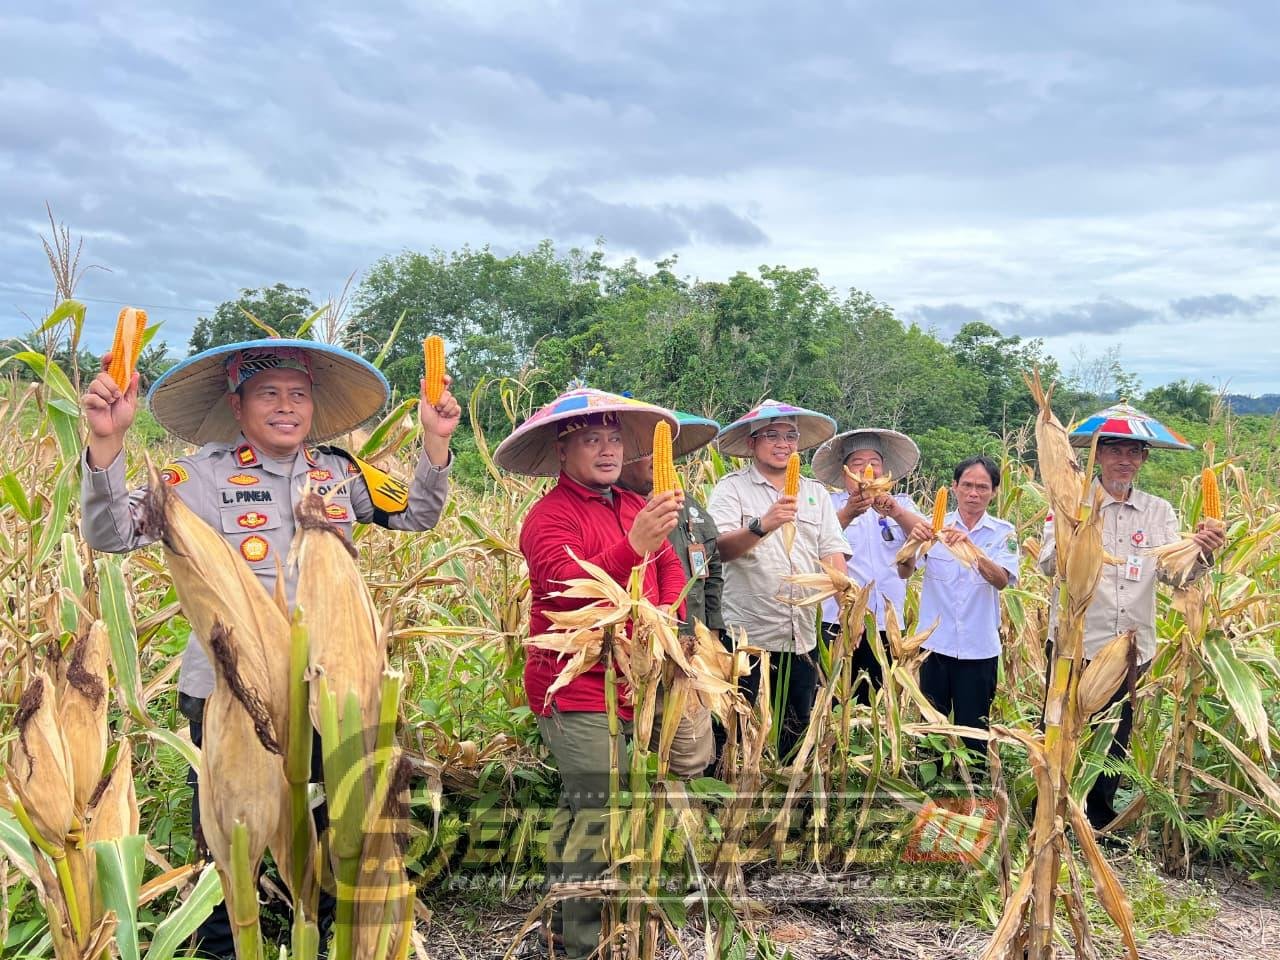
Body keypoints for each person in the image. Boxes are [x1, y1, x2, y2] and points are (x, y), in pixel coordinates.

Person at [81, 338, 461, 958]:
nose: (286, 406)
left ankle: (330, 933)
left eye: (298, 394)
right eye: (268, 394)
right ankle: (225, 942)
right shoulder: (199, 476)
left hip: (327, 690)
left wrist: (436, 442)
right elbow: (111, 532)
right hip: (234, 691)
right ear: (237, 405)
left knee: (336, 820)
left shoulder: (338, 472)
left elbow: (416, 513)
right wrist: (107, 442)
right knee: (233, 834)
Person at [494, 388, 685, 960]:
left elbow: (671, 568)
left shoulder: (630, 503)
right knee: (601, 813)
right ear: (563, 450)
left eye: (614, 439)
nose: (607, 450)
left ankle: (563, 923)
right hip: (572, 685)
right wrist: (633, 545)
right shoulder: (548, 517)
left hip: (632, 681)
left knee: (583, 808)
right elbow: (564, 592)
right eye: (591, 439)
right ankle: (581, 944)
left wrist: (661, 619)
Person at [1040, 404, 1224, 830]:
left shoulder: (1159, 512)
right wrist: (1075, 531)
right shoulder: (1070, 502)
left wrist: (1201, 551)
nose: (1125, 459)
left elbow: (1174, 576)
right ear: (1099, 455)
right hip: (1074, 643)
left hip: (1130, 647)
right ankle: (1051, 812)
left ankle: (1098, 820)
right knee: (1061, 728)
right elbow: (1048, 564)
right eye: (1115, 449)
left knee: (1115, 737)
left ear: (1144, 458)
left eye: (1134, 451)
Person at [707, 400, 848, 761]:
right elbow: (718, 549)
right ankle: (726, 788)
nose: (783, 444)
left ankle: (791, 791)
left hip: (801, 635)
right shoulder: (732, 489)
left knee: (795, 731)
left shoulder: (815, 493)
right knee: (732, 729)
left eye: (790, 436)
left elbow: (832, 553)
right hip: (747, 637)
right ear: (752, 442)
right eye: (771, 435)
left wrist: (849, 606)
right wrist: (762, 525)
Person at [617, 411, 723, 779]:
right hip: (636, 654)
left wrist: (713, 631)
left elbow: (712, 569)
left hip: (688, 648)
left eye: (660, 451)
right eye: (645, 451)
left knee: (691, 753)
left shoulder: (689, 505)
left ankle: (687, 808)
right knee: (636, 751)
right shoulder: (615, 507)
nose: (656, 460)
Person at [899, 456, 1018, 766]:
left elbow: (1001, 581)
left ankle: (973, 789)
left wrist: (972, 550)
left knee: (973, 732)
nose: (973, 493)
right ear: (954, 487)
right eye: (967, 485)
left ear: (994, 492)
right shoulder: (933, 526)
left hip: (978, 650)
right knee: (931, 733)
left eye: (982, 487)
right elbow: (904, 571)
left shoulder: (1003, 533)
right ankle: (929, 789)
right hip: (934, 647)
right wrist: (911, 545)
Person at [811, 428, 928, 704]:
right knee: (834, 699)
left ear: (884, 470)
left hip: (887, 624)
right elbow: (813, 544)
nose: (867, 469)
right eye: (858, 463)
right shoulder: (829, 505)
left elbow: (926, 535)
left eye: (874, 463)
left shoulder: (901, 504)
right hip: (837, 621)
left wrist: (896, 512)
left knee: (879, 701)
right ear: (845, 473)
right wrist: (848, 513)